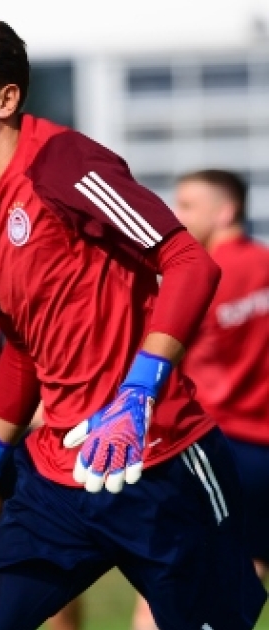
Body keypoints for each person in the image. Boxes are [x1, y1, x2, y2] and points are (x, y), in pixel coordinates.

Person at [0, 13, 266, 629]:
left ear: (6, 99)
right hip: (56, 481)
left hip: (162, 463)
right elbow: (23, 345)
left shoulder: (63, 163)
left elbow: (188, 263)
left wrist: (137, 395)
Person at [130, 169, 269, 630]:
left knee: (164, 575)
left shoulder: (197, 278)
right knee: (247, 572)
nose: (177, 216)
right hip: (263, 451)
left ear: (226, 211)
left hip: (209, 444)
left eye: (188, 205)